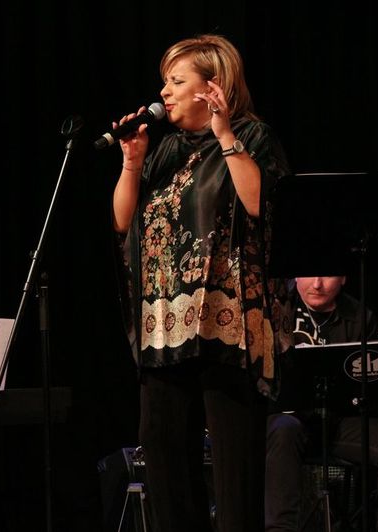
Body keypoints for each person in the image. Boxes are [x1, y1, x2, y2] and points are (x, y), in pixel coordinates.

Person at [110, 34, 292, 532]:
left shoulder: (252, 136)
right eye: (164, 82)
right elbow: (123, 223)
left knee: (234, 470)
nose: (164, 92)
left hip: (228, 328)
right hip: (165, 325)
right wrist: (132, 162)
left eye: (176, 81)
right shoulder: (166, 149)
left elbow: (258, 204)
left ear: (213, 87)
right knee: (163, 456)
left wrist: (225, 133)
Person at [265, 276, 378, 532]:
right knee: (284, 429)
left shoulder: (360, 316)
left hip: (338, 421)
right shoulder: (276, 306)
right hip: (288, 421)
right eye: (309, 275)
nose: (317, 284)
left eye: (326, 275)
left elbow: (375, 389)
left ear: (344, 278)